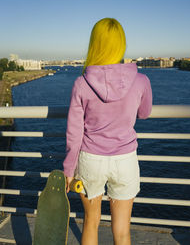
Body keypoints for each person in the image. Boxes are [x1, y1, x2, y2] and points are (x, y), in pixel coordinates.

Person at [63, 18, 152, 245]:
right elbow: (145, 113)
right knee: (122, 230)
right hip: (125, 160)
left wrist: (68, 170)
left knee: (91, 222)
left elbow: (74, 133)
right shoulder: (141, 81)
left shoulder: (81, 84)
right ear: (121, 44)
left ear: (95, 44)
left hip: (91, 160)